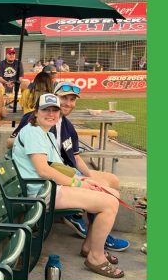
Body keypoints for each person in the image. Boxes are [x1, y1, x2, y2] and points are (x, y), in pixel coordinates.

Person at [11, 95, 123, 278]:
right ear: (36, 112)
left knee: (112, 193)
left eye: (54, 110)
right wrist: (78, 183)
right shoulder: (32, 131)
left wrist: (85, 181)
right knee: (109, 203)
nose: (50, 113)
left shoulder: (45, 132)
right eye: (45, 109)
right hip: (41, 191)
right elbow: (44, 170)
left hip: (48, 187)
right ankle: (96, 257)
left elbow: (58, 167)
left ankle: (90, 247)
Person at [43, 81, 130, 254]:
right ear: (53, 98)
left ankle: (93, 232)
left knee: (112, 180)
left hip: (68, 170)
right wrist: (28, 143)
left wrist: (90, 176)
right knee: (105, 193)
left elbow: (75, 156)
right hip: (58, 176)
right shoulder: (40, 119)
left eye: (72, 99)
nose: (68, 103)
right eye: (64, 98)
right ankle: (90, 233)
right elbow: (13, 142)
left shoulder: (66, 124)